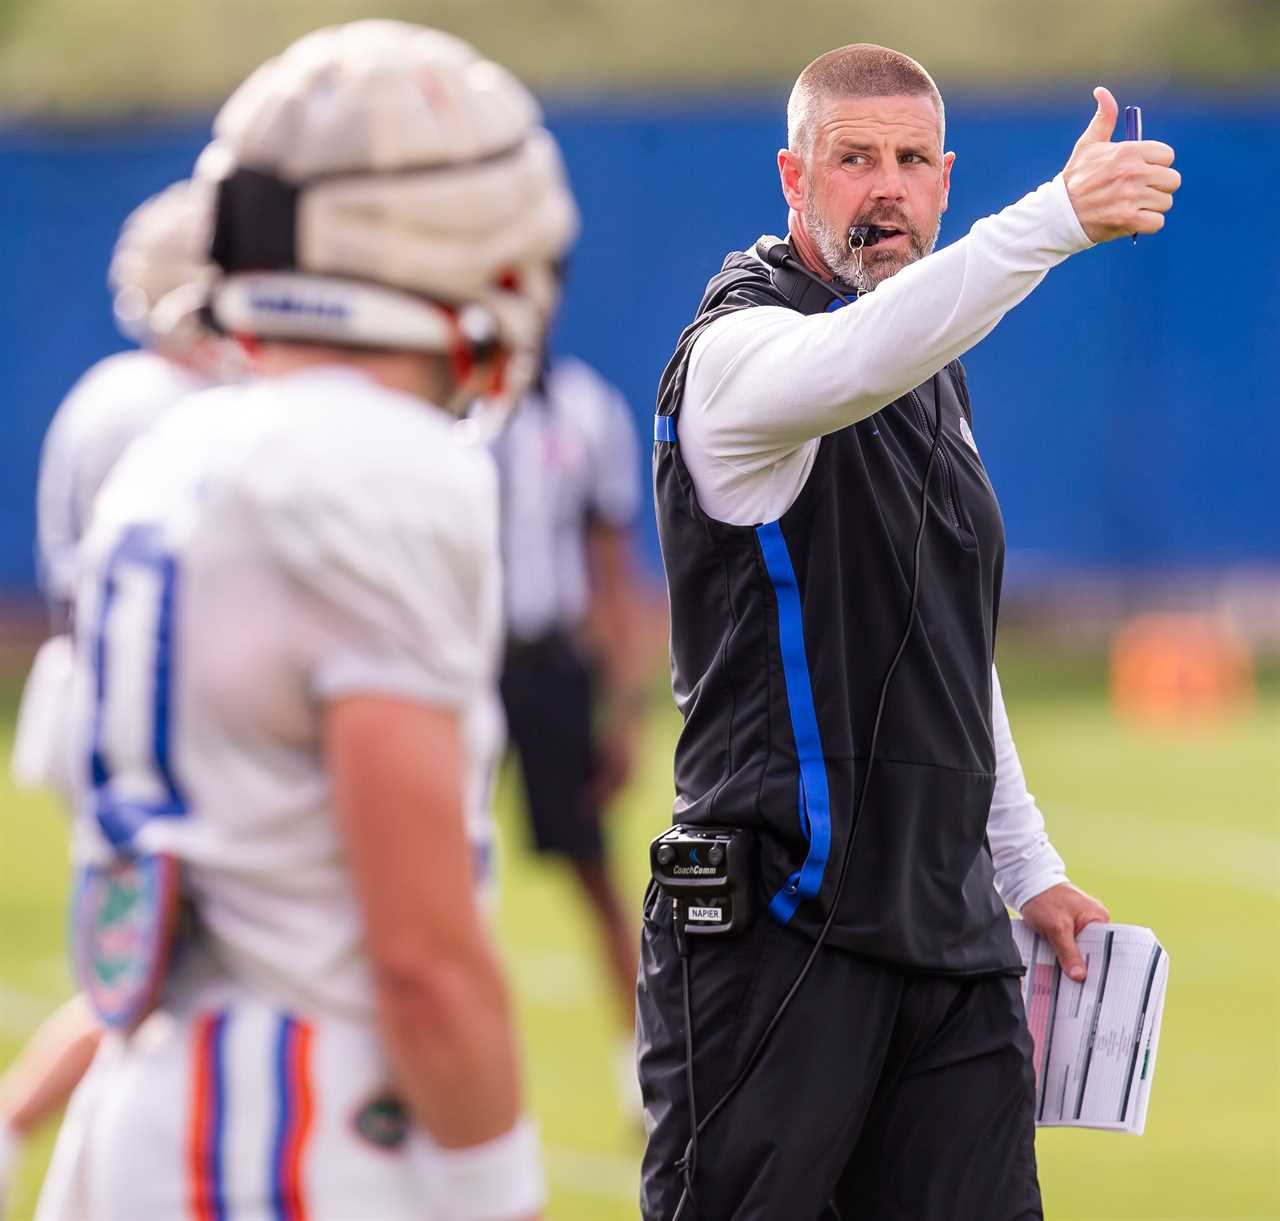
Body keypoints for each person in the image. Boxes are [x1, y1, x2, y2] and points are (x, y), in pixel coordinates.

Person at [34, 21, 577, 1221]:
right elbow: (420, 953)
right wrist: (495, 1188)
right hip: (292, 1123)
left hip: (153, 1099)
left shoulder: (179, 437)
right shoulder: (374, 464)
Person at [639, 44, 1180, 1220]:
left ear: (944, 179)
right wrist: (1052, 219)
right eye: (850, 160)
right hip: (780, 927)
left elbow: (946, 643)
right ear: (792, 177)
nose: (883, 188)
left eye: (909, 161)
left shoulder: (927, 368)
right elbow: (851, 357)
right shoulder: (740, 355)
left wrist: (1024, 864)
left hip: (945, 929)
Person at [3, 181, 231, 1212]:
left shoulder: (107, 390)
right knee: (159, 978)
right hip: (151, 716)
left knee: (145, 969)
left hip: (86, 691)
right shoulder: (185, 412)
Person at [491, 350, 648, 1113]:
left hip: (550, 659)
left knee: (594, 870)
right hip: (454, 659)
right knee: (436, 860)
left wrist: (624, 702)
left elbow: (611, 561)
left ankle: (642, 1067)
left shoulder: (583, 405)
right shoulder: (432, 392)